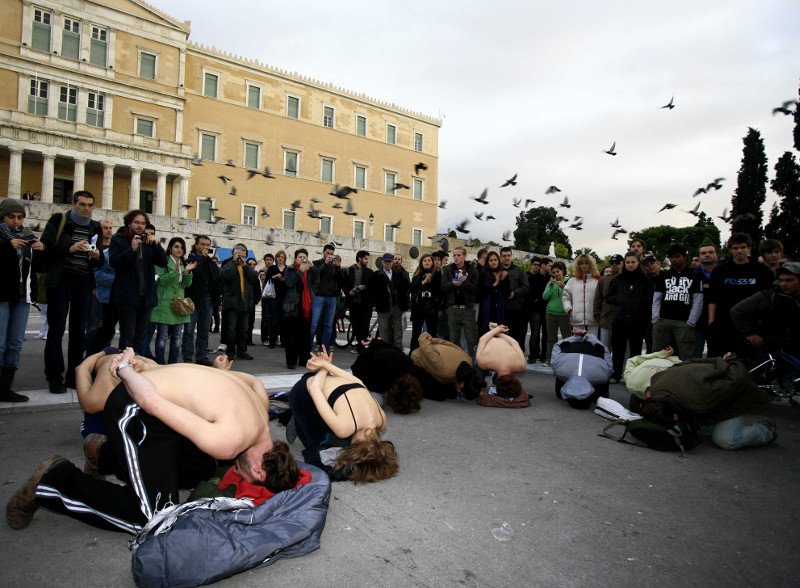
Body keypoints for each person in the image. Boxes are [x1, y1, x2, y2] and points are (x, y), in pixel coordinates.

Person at [5, 347, 284, 533]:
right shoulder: (229, 441)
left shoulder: (260, 406)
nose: (238, 475)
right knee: (153, 517)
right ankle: (53, 480)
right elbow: (149, 401)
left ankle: (104, 454)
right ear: (259, 471)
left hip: (163, 405)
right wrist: (125, 368)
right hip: (136, 404)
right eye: (246, 478)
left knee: (203, 466)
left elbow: (246, 381)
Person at [287, 347, 398, 483]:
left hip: (331, 382)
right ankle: (297, 417)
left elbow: (359, 382)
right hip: (304, 392)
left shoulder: (382, 421)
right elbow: (313, 388)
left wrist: (326, 365)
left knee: (334, 436)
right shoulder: (344, 429)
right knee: (317, 445)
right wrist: (323, 369)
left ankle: (311, 415)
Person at [40, 191, 103, 393]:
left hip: (84, 281)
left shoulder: (95, 227)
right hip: (61, 280)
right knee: (56, 330)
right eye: (82, 204)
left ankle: (74, 376)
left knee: (78, 332)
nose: (86, 208)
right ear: (73, 204)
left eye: (90, 205)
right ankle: (54, 377)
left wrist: (96, 255)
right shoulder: (59, 220)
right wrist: (70, 248)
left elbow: (100, 260)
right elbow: (45, 250)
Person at [642, 356, 776, 450]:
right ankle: (729, 425)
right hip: (713, 392)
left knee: (725, 440)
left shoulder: (700, 400)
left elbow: (739, 379)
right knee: (702, 430)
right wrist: (717, 362)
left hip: (738, 397)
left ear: (675, 416)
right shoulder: (655, 383)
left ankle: (766, 429)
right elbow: (683, 363)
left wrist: (730, 362)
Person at [0, 199, 44, 402]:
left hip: (22, 296)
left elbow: (40, 268)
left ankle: (5, 388)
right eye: (11, 217)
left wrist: (41, 251)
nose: (16, 221)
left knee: (15, 343)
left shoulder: (27, 236)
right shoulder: (2, 238)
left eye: (20, 217)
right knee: (0, 344)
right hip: (2, 294)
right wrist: (6, 247)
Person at [707, 233, 775, 357]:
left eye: (743, 247)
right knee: (719, 360)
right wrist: (711, 321)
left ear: (749, 248)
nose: (739, 251)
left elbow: (769, 300)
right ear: (730, 250)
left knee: (750, 361)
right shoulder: (719, 271)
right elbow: (712, 297)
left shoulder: (762, 270)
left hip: (752, 325)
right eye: (735, 248)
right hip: (723, 324)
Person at [109, 211, 167, 353]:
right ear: (129, 223)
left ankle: (135, 363)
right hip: (127, 296)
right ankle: (124, 364)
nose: (140, 226)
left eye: (143, 223)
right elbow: (114, 262)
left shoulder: (148, 242)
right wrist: (131, 249)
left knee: (140, 335)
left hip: (146, 296)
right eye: (136, 222)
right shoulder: (118, 240)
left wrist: (156, 245)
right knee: (127, 336)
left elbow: (163, 262)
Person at [730, 261, 800, 374]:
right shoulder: (769, 296)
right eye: (781, 280)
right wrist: (748, 333)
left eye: (789, 280)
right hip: (778, 347)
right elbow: (737, 311)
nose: (784, 284)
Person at [605, 252, 651, 382]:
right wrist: (620, 299)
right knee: (618, 350)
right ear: (624, 264)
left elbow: (650, 299)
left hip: (638, 321)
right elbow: (608, 296)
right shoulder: (618, 279)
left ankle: (633, 377)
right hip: (620, 320)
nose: (630, 265)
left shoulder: (645, 279)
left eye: (633, 262)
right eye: (628, 262)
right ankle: (616, 374)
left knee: (635, 351)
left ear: (638, 262)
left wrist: (639, 302)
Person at [651, 243, 702, 360]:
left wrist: (691, 321)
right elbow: (656, 299)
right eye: (671, 257)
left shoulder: (695, 276)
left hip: (684, 322)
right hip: (663, 321)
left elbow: (698, 300)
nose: (674, 259)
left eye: (677, 256)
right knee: (658, 356)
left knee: (687, 356)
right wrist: (655, 319)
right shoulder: (663, 276)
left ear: (685, 257)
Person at [150, 237, 195, 365]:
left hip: (179, 305)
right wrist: (175, 271)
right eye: (176, 246)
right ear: (170, 248)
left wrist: (187, 272)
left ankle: (173, 364)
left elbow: (187, 284)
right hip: (164, 303)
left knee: (176, 338)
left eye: (182, 247)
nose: (179, 249)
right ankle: (160, 364)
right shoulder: (162, 261)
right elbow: (161, 281)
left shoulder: (184, 264)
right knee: (162, 337)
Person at [410, 332, 483, 401]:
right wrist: (425, 336)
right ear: (461, 385)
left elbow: (450, 344)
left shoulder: (468, 361)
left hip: (436, 356)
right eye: (462, 394)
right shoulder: (444, 372)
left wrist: (432, 340)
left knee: (452, 393)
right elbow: (426, 349)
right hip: (418, 360)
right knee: (440, 395)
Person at [181, 235, 219, 366]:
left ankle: (201, 356)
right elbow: (191, 277)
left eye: (207, 245)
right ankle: (187, 355)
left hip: (208, 301)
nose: (205, 247)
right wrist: (201, 259)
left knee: (204, 330)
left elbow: (216, 281)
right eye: (202, 244)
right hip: (193, 300)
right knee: (189, 330)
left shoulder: (211, 263)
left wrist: (217, 302)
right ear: (196, 245)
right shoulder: (190, 261)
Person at [218, 244, 260, 361]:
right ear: (233, 253)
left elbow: (254, 278)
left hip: (245, 303)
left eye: (243, 252)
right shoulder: (228, 264)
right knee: (231, 330)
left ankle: (242, 351)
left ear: (246, 254)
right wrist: (234, 263)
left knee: (244, 329)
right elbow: (224, 277)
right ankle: (231, 352)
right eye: (238, 252)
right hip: (232, 303)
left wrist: (245, 266)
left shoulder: (247, 266)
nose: (241, 254)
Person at [550, 330, 612, 409]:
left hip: (590, 351)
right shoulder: (559, 370)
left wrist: (587, 336)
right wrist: (578, 336)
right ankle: (602, 395)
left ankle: (601, 395)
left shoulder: (602, 376)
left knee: (605, 374)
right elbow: (558, 345)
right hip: (574, 350)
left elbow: (605, 350)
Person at [283, 249, 318, 369]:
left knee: (305, 336)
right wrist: (300, 271)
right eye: (300, 257)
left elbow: (316, 281)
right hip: (293, 306)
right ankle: (291, 361)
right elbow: (289, 283)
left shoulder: (309, 271)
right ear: (295, 259)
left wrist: (313, 268)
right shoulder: (290, 269)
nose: (302, 259)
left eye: (304, 257)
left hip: (306, 306)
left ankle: (304, 360)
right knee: (292, 336)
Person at [440, 246, 479, 355]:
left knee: (471, 339)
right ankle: (457, 363)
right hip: (453, 308)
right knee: (454, 340)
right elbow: (442, 288)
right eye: (454, 255)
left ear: (465, 256)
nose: (456, 257)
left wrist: (465, 281)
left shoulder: (472, 270)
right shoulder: (447, 269)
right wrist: (452, 284)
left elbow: (476, 290)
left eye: (459, 255)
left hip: (468, 309)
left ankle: (473, 362)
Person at [475, 323, 527, 404]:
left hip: (495, 342)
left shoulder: (521, 365)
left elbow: (514, 342)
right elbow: (483, 339)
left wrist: (497, 330)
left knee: (479, 363)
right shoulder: (483, 362)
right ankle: (478, 385)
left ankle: (478, 385)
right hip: (491, 342)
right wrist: (497, 330)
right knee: (478, 365)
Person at [369, 252, 410, 350]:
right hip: (383, 308)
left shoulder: (399, 274)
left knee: (398, 331)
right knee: (384, 332)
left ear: (392, 262)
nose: (387, 263)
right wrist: (376, 303)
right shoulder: (376, 275)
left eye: (389, 261)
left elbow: (405, 289)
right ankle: (385, 352)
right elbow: (371, 291)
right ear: (382, 262)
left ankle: (398, 350)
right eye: (386, 261)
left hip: (397, 307)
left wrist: (403, 304)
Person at [85, 219, 113, 355]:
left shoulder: (114, 247)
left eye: (110, 228)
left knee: (109, 329)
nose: (109, 230)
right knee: (93, 327)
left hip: (112, 295)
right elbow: (94, 273)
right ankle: (90, 355)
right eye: (105, 228)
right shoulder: (94, 246)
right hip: (96, 293)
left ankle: (103, 356)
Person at [309, 244, 340, 352]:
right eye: (328, 253)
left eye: (332, 254)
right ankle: (308, 347)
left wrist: (338, 267)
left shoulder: (334, 265)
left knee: (328, 325)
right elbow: (315, 275)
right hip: (319, 296)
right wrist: (325, 264)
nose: (330, 256)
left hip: (332, 297)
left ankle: (325, 348)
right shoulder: (317, 263)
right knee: (314, 324)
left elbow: (339, 279)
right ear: (323, 252)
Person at [498, 247, 529, 347]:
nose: (506, 258)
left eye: (508, 255)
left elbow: (526, 287)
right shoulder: (496, 270)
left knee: (516, 337)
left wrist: (514, 293)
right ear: (501, 257)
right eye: (504, 256)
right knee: (500, 337)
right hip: (500, 309)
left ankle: (516, 355)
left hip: (516, 309)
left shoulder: (519, 271)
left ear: (511, 256)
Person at [562, 254, 600, 334]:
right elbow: (566, 297)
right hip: (577, 319)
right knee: (578, 341)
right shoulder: (572, 281)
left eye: (586, 263)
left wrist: (598, 313)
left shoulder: (597, 280)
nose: (584, 265)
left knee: (592, 341)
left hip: (593, 320)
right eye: (581, 263)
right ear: (578, 265)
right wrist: (569, 310)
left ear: (590, 264)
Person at [409, 253, 440, 351]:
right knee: (416, 333)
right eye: (424, 260)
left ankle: (432, 354)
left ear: (432, 262)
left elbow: (439, 290)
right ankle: (413, 354)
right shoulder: (417, 273)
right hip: (418, 307)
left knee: (432, 333)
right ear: (421, 263)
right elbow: (412, 289)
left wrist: (430, 282)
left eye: (429, 260)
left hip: (431, 308)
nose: (427, 262)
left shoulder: (437, 274)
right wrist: (423, 282)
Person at [543, 261, 571, 365]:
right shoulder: (550, 282)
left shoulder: (569, 281)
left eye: (558, 271)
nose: (555, 274)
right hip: (550, 314)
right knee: (551, 338)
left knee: (567, 338)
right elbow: (545, 297)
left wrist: (563, 286)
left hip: (564, 314)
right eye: (553, 272)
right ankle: (549, 359)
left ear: (563, 271)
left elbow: (572, 295)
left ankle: (567, 360)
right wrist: (550, 287)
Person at [694, 242, 718, 357]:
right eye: (703, 253)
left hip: (719, 321)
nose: (707, 255)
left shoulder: (725, 273)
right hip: (698, 323)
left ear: (716, 255)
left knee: (717, 355)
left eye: (711, 252)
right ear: (699, 257)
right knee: (696, 355)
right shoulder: (693, 275)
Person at [345, 250, 372, 353]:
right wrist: (349, 292)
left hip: (366, 303)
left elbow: (372, 285)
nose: (367, 261)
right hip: (354, 303)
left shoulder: (369, 272)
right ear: (360, 258)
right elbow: (345, 284)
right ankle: (360, 345)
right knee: (356, 325)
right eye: (365, 258)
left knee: (365, 326)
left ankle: (362, 347)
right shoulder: (350, 270)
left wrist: (364, 287)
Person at [594, 254, 623, 348]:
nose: (614, 264)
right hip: (605, 320)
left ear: (622, 263)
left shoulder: (626, 278)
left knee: (619, 350)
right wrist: (597, 316)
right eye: (612, 262)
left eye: (617, 262)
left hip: (622, 321)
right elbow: (597, 299)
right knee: (605, 349)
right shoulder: (603, 279)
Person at [477, 251, 509, 334]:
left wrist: (503, 279)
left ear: (499, 261)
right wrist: (496, 282)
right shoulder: (483, 274)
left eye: (495, 260)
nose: (493, 262)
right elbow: (481, 291)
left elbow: (507, 293)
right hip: (486, 309)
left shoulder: (504, 273)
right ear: (487, 262)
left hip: (500, 309)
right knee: (486, 334)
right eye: (491, 260)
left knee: (500, 335)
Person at [526, 257, 551, 363]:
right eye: (549, 265)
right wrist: (537, 300)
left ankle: (544, 356)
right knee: (535, 334)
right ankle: (533, 355)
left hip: (547, 310)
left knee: (546, 334)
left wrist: (539, 299)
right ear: (543, 265)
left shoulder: (550, 278)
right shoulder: (532, 278)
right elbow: (530, 295)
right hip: (535, 310)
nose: (551, 267)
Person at [259, 253, 282, 348]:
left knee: (274, 318)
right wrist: (274, 276)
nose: (268, 261)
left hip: (275, 297)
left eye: (270, 259)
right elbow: (264, 280)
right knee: (265, 318)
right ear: (264, 261)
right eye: (267, 259)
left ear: (273, 260)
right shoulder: (262, 270)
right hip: (266, 297)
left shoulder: (276, 268)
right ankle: (264, 338)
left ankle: (274, 337)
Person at [246, 257, 261, 346]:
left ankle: (249, 340)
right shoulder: (243, 275)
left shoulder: (255, 277)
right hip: (242, 303)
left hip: (251, 303)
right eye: (250, 264)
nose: (252, 266)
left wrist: (256, 300)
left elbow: (258, 291)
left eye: (254, 264)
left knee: (251, 322)